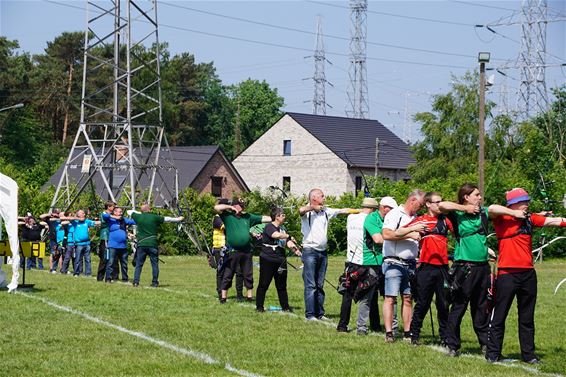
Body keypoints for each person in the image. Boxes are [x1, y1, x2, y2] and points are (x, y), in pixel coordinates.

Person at [485, 188, 566, 364]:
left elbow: (554, 221)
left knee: (527, 317)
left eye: (527, 201)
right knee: (500, 315)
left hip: (528, 274)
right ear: (513, 204)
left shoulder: (530, 218)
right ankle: (493, 353)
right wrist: (514, 212)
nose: (527, 204)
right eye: (523, 201)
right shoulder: (502, 218)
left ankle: (529, 355)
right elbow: (491, 208)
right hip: (507, 274)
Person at [439, 183, 491, 357]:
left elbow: (497, 210)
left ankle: (485, 344)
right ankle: (452, 345)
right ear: (466, 197)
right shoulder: (457, 213)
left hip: (483, 267)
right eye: (476, 195)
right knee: (459, 306)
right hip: (465, 268)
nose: (480, 197)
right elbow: (442, 205)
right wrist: (466, 209)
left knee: (481, 307)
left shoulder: (483, 212)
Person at [397, 192, 453, 346]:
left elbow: (461, 235)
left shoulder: (445, 220)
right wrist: (414, 228)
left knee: (443, 303)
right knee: (423, 303)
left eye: (441, 202)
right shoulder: (421, 220)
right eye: (436, 202)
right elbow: (398, 232)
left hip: (442, 267)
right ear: (428, 204)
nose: (440, 205)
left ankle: (445, 337)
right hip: (426, 267)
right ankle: (414, 334)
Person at [336, 197, 393, 335]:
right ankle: (374, 325)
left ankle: (342, 325)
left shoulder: (351, 218)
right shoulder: (370, 220)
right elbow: (378, 238)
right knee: (369, 293)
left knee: (348, 294)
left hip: (351, 260)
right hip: (367, 261)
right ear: (374, 209)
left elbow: (354, 211)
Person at [300, 188, 355, 321]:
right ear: (313, 198)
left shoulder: (326, 211)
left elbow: (343, 211)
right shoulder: (307, 212)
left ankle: (320, 313)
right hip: (309, 251)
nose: (324, 198)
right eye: (322, 196)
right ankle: (310, 314)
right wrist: (313, 207)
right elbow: (301, 210)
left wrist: (360, 210)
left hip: (322, 252)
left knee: (319, 284)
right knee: (311, 285)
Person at [382, 189, 425, 342]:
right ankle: (389, 333)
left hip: (411, 263)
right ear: (412, 200)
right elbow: (386, 234)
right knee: (391, 298)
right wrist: (410, 233)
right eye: (420, 205)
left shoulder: (417, 218)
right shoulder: (394, 214)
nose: (420, 208)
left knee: (408, 298)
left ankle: (407, 332)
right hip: (393, 262)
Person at [214, 198, 271, 303]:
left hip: (246, 251)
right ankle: (223, 297)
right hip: (232, 251)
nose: (243, 207)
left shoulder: (247, 216)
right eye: (241, 205)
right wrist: (229, 207)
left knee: (248, 274)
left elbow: (264, 218)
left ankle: (249, 297)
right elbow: (216, 207)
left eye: (244, 205)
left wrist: (275, 217)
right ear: (235, 205)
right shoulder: (227, 216)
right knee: (228, 274)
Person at [255, 207, 301, 312]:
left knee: (281, 285)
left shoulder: (283, 228)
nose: (284, 216)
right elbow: (276, 235)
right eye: (283, 215)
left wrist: (296, 250)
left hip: (280, 259)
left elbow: (287, 242)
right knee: (264, 283)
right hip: (268, 259)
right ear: (276, 217)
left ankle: (285, 307)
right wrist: (288, 236)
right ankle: (259, 307)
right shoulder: (269, 227)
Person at [127, 204, 183, 287]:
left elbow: (129, 211)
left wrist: (141, 212)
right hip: (152, 244)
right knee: (154, 264)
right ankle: (155, 282)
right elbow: (167, 219)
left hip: (142, 244)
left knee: (139, 264)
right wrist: (178, 219)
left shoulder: (138, 216)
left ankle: (135, 282)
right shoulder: (154, 217)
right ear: (149, 209)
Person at [211, 199, 244, 300]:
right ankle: (220, 293)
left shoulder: (230, 218)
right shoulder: (217, 218)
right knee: (221, 272)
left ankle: (239, 294)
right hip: (220, 248)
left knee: (239, 271)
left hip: (232, 249)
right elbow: (227, 228)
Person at [62, 210, 100, 277]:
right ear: (78, 214)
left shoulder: (87, 221)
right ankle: (76, 273)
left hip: (87, 243)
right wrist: (77, 218)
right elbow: (66, 218)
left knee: (88, 259)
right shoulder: (75, 222)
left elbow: (96, 223)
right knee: (78, 259)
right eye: (82, 213)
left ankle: (88, 273)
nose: (84, 214)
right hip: (79, 244)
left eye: (84, 213)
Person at [102, 207, 136, 282]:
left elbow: (134, 221)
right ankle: (108, 278)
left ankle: (125, 278)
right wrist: (114, 216)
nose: (121, 213)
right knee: (110, 263)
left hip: (123, 246)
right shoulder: (110, 219)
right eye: (119, 212)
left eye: (121, 212)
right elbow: (105, 215)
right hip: (113, 245)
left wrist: (136, 214)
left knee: (124, 264)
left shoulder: (123, 220)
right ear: (114, 212)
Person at [97, 201, 118, 281]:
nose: (114, 208)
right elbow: (106, 217)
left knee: (111, 259)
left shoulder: (110, 215)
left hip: (111, 238)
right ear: (109, 207)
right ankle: (100, 277)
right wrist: (116, 217)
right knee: (104, 258)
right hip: (105, 237)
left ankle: (110, 276)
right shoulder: (104, 214)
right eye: (113, 207)